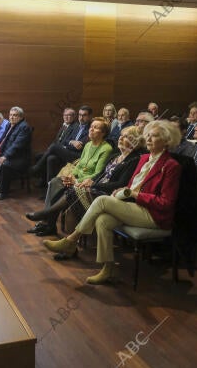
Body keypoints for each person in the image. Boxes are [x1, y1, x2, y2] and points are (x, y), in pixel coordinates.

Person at [42, 120, 182, 284]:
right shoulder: (144, 158)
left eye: (155, 136)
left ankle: (72, 240)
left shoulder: (172, 165)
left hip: (153, 215)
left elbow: (166, 202)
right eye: (148, 135)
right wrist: (122, 192)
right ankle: (108, 268)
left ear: (166, 141)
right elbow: (131, 185)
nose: (149, 139)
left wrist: (135, 195)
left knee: (101, 200)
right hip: (135, 206)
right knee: (103, 220)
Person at [25, 125, 145, 240]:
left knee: (72, 193)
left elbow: (120, 184)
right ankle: (50, 225)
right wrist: (88, 181)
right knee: (63, 188)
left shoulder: (133, 160)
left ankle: (47, 216)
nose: (120, 138)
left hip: (107, 195)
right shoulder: (115, 156)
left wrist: (91, 184)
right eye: (121, 135)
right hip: (96, 188)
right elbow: (99, 174)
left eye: (126, 137)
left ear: (136, 142)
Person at [25, 117, 114, 236]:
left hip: (86, 183)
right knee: (55, 182)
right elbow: (79, 164)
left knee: (58, 189)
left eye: (96, 128)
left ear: (103, 133)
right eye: (91, 126)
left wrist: (76, 180)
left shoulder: (106, 148)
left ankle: (46, 222)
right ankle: (47, 222)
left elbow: (98, 173)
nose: (91, 129)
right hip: (75, 178)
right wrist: (71, 176)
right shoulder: (87, 145)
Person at [29, 105, 92, 182]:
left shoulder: (90, 129)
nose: (81, 118)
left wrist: (70, 144)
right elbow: (65, 140)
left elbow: (79, 147)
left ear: (89, 116)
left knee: (54, 147)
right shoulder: (77, 126)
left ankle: (37, 168)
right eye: (80, 115)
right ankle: (49, 186)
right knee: (50, 158)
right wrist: (72, 142)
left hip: (78, 156)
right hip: (69, 152)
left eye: (84, 115)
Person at [0, 106, 31, 200]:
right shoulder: (10, 125)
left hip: (19, 158)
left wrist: (5, 156)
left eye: (15, 115)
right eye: (10, 115)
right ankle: (0, 183)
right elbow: (3, 139)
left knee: (5, 164)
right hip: (8, 155)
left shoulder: (24, 127)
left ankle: (4, 191)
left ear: (20, 117)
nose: (11, 117)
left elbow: (17, 145)